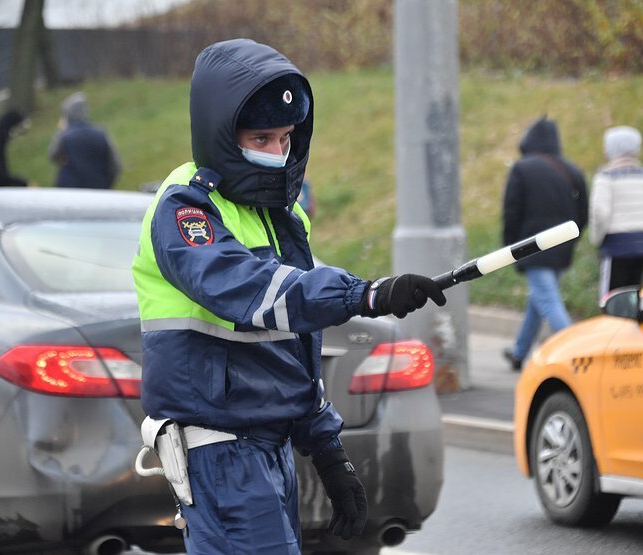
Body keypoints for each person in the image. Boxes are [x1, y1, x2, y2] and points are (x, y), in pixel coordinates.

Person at [131, 38, 447, 554]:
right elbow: (252, 292)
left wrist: (327, 448)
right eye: (261, 137)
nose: (277, 153)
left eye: (285, 138)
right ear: (221, 134)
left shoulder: (279, 215)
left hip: (268, 449)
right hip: (221, 450)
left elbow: (293, 342)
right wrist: (363, 294)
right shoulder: (186, 210)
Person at [501, 116, 588, 371]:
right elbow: (583, 213)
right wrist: (571, 238)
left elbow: (511, 211)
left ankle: (578, 353)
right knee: (539, 299)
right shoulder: (572, 170)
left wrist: (510, 248)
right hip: (562, 248)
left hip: (532, 247)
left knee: (547, 300)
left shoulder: (522, 169)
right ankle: (519, 351)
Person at [589, 125, 643, 299]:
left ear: (610, 148)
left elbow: (600, 213)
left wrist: (597, 238)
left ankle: (612, 326)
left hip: (616, 247)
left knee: (610, 299)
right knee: (632, 297)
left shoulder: (606, 177)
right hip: (642, 246)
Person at [48, 91, 121, 188]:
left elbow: (52, 155)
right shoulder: (101, 134)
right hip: (98, 189)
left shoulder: (65, 135)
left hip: (68, 190)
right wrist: (107, 184)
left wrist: (60, 130)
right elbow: (116, 166)